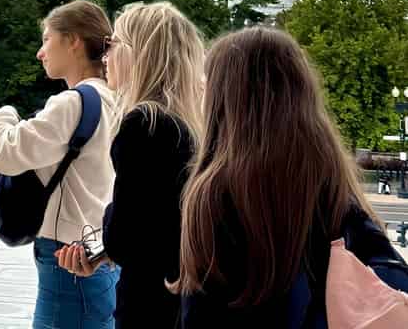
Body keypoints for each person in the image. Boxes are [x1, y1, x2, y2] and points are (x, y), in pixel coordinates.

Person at [172, 27, 408, 327]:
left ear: (225, 103)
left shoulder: (214, 193)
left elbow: (200, 312)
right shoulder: (326, 182)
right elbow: (388, 273)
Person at [56, 2, 205, 328]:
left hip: (147, 304)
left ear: (139, 54)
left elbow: (127, 238)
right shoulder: (191, 124)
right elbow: (163, 227)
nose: (105, 55)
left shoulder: (143, 125)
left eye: (114, 44)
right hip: (184, 299)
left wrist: (106, 239)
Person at [0, 0, 121, 328]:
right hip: (98, 251)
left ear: (73, 40)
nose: (40, 52)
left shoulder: (72, 103)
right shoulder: (115, 99)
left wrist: (3, 115)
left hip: (67, 258)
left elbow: (2, 152)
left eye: (46, 39)